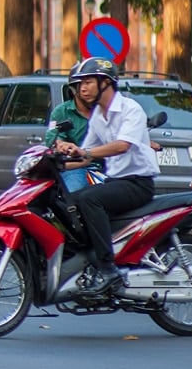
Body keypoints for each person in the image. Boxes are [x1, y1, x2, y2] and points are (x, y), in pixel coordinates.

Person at [54, 57, 160, 295]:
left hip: (138, 183)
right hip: (116, 182)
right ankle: (88, 261)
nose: (82, 88)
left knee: (90, 199)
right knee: (69, 201)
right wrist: (56, 163)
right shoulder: (98, 117)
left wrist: (85, 151)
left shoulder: (131, 110)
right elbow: (84, 157)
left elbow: (122, 145)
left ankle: (108, 268)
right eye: (80, 84)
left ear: (106, 83)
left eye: (88, 82)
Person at [44, 63, 98, 193]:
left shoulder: (105, 110)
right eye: (82, 85)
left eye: (91, 84)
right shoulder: (61, 112)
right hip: (76, 166)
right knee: (75, 194)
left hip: (110, 165)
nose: (87, 90)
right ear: (74, 90)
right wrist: (62, 145)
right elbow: (52, 138)